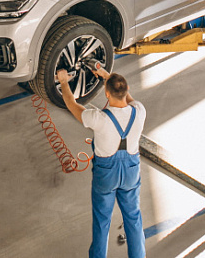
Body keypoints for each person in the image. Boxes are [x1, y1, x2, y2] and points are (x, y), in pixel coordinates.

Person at [57, 65, 147, 258]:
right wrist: (108, 77)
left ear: (107, 94)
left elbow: (71, 104)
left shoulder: (98, 118)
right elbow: (130, 100)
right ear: (127, 90)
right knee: (134, 219)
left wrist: (64, 81)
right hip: (131, 171)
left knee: (102, 222)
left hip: (106, 174)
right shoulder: (139, 112)